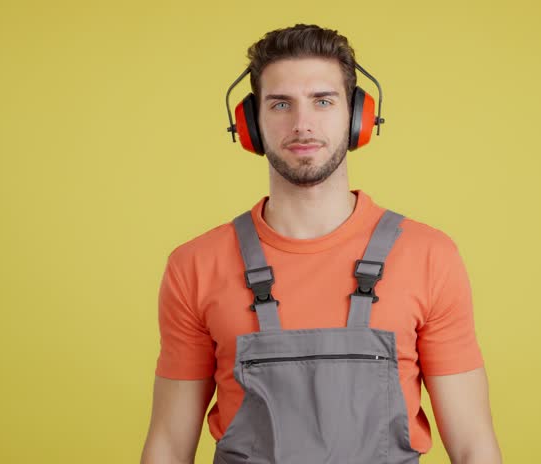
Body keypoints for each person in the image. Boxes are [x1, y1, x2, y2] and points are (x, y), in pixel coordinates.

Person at [141, 23, 502, 464]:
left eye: (323, 101)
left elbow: (473, 446)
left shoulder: (429, 257)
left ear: (358, 117)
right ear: (250, 123)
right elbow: (168, 445)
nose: (302, 124)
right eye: (280, 104)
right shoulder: (195, 266)